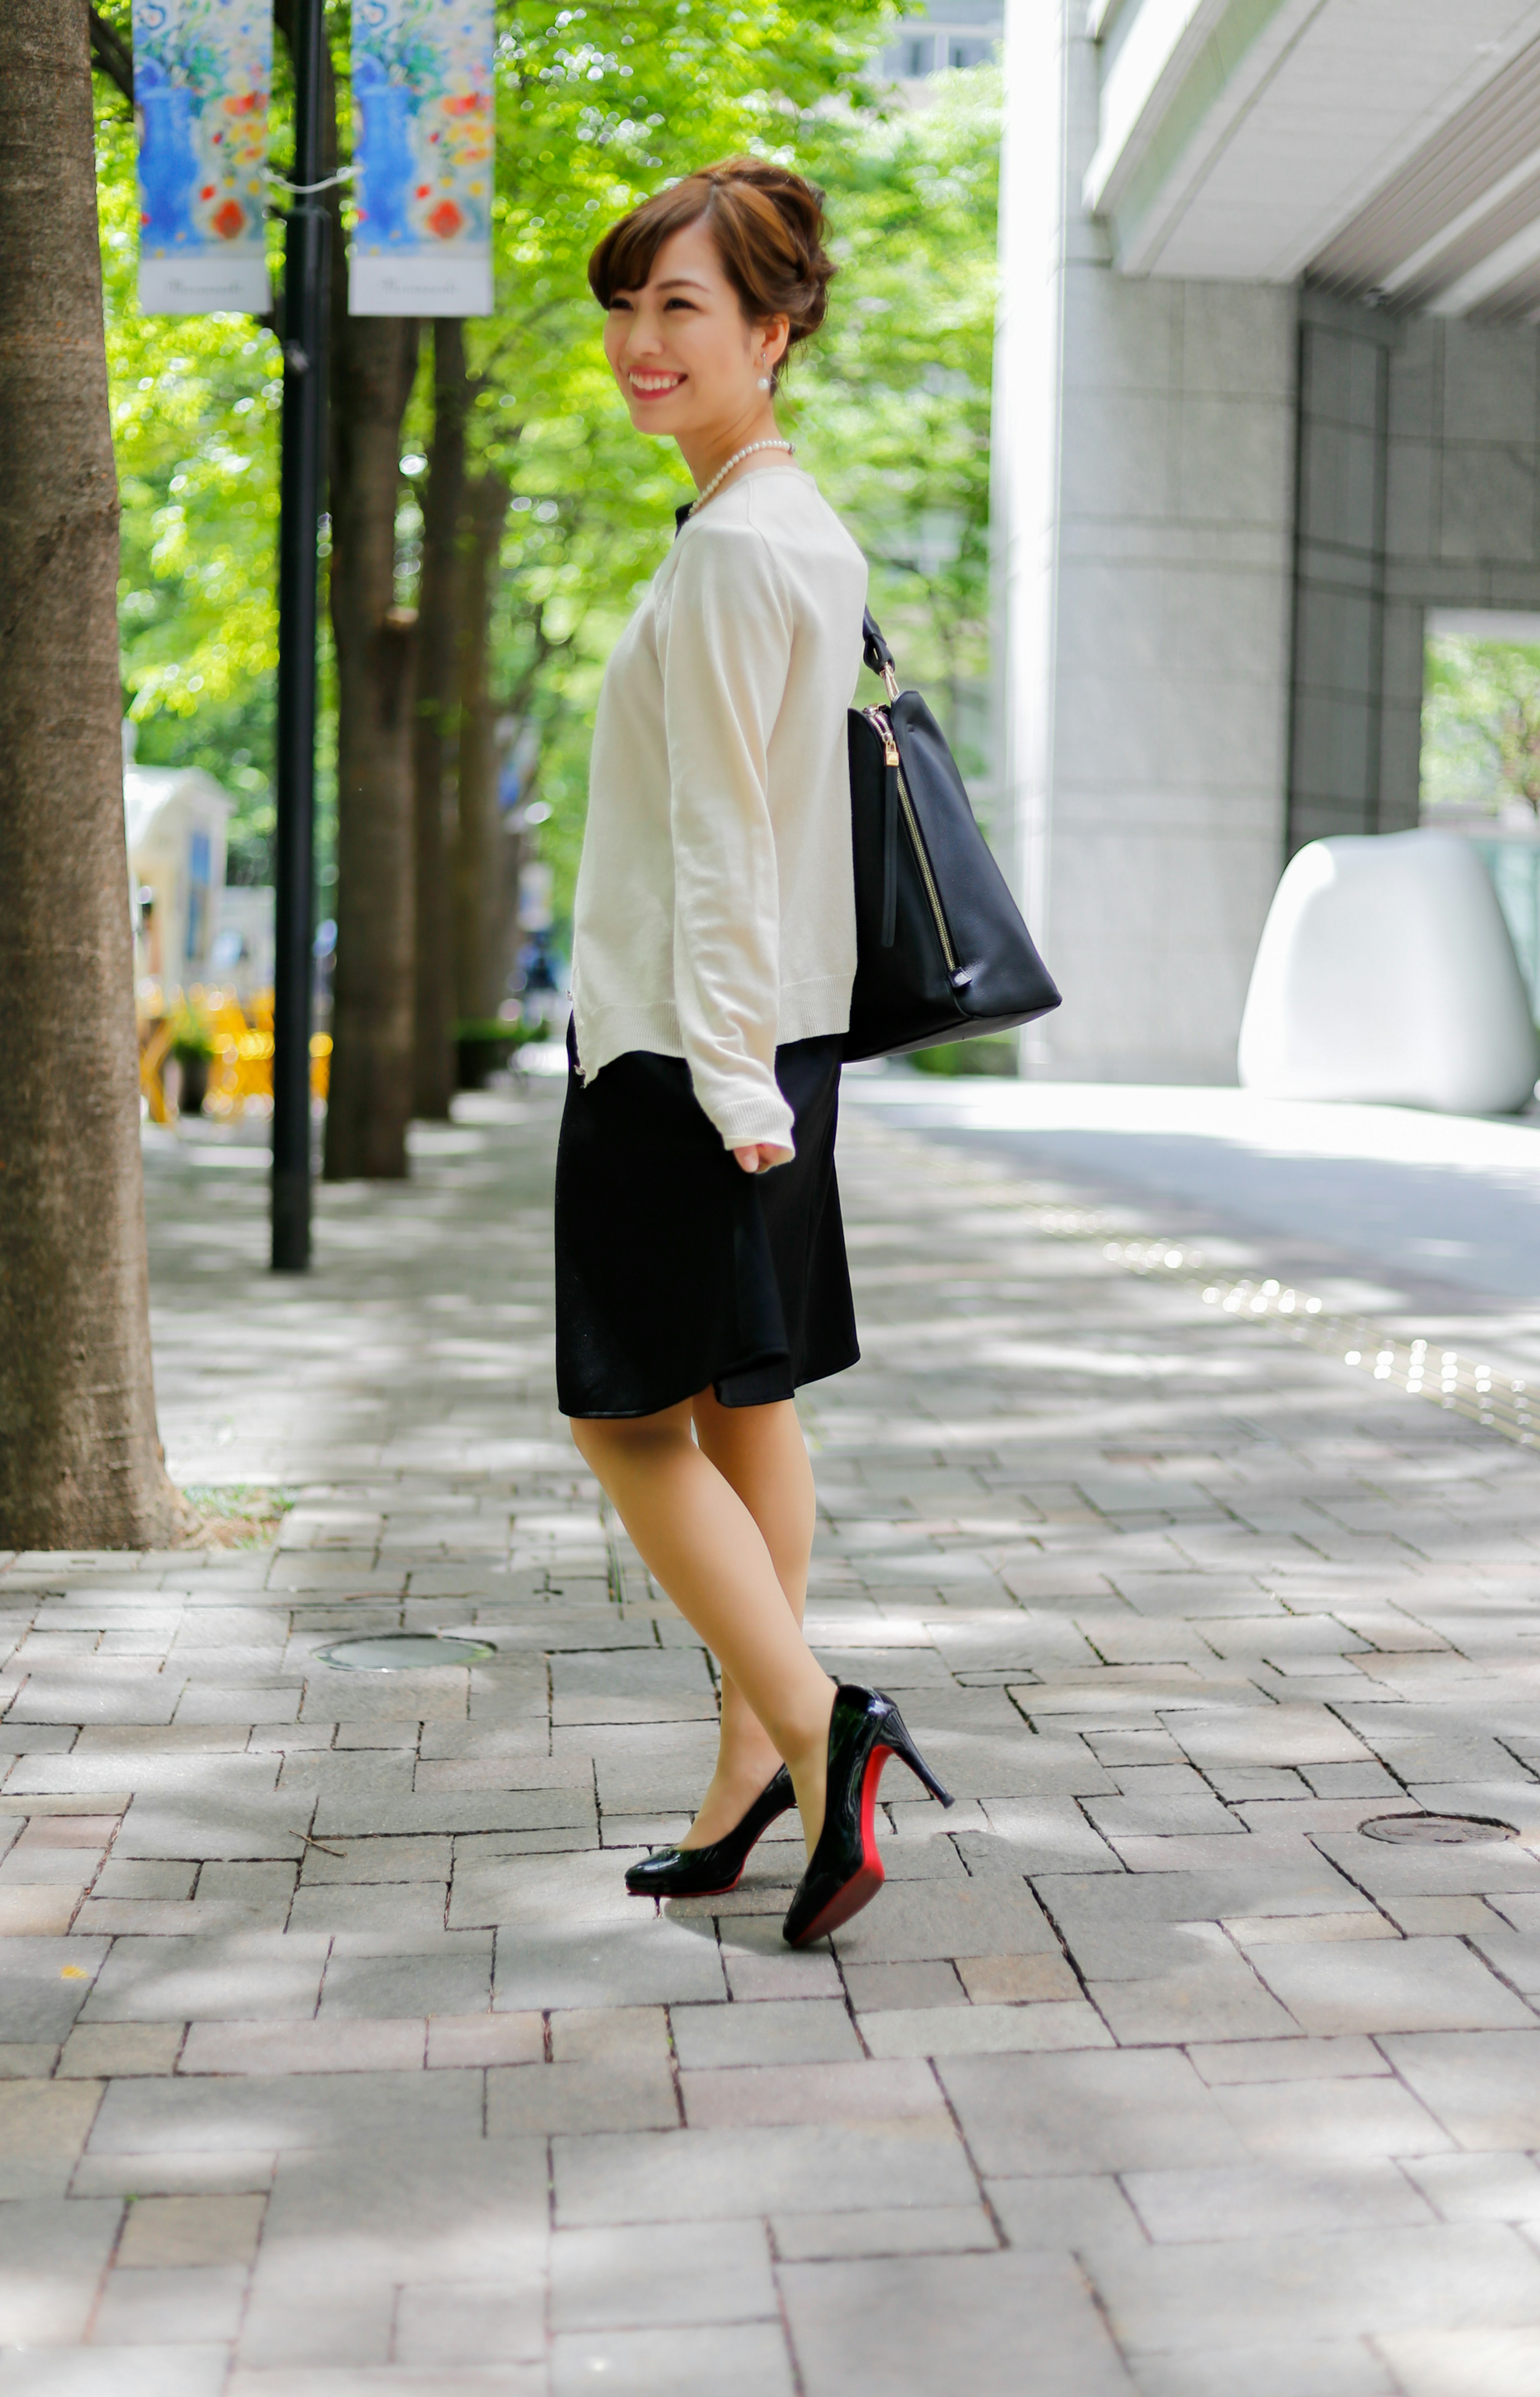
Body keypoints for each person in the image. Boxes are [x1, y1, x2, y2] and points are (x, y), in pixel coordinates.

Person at [555, 157, 950, 1950]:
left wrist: (717, 1089)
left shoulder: (732, 554)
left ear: (775, 333)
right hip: (776, 1044)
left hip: (689, 1054)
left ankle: (819, 1725)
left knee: (626, 1424)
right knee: (745, 1400)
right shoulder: (805, 529)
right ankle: (750, 1782)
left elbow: (721, 839)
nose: (642, 342)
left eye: (683, 308)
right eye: (628, 305)